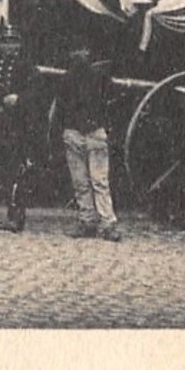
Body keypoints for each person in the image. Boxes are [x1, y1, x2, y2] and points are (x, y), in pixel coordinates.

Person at [58, 46, 121, 241]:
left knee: (98, 180)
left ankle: (107, 222)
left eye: (82, 52)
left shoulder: (99, 77)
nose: (79, 56)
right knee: (81, 181)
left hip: (92, 132)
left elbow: (112, 101)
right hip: (76, 132)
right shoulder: (68, 79)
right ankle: (88, 221)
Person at [0, 30, 38, 232]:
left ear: (19, 45)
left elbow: (36, 91)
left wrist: (19, 98)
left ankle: (18, 216)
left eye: (13, 43)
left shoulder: (26, 66)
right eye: (5, 43)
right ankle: (11, 213)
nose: (9, 47)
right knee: (5, 170)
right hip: (0, 124)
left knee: (18, 171)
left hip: (19, 124)